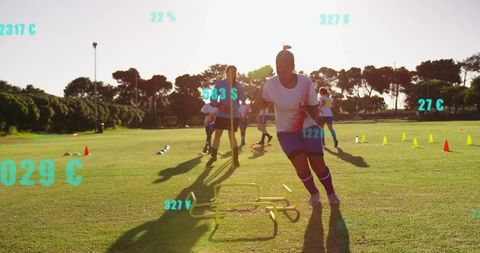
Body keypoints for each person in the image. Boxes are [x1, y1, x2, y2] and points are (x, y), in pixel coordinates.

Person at [259, 45, 340, 206]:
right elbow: (264, 102)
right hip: (286, 131)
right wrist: (261, 119)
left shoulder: (305, 82)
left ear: (293, 67)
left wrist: (317, 123)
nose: (281, 71)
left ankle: (331, 193)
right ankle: (314, 194)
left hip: (309, 126)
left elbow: (313, 107)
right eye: (278, 68)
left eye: (285, 67)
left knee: (317, 163)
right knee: (300, 163)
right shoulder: (270, 84)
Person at [207, 65, 246, 168]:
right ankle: (213, 156)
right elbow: (213, 98)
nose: (231, 73)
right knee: (217, 135)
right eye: (229, 71)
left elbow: (243, 98)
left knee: (231, 136)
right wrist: (219, 105)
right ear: (226, 72)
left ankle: (235, 159)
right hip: (221, 115)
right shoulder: (220, 84)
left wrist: (240, 95)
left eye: (234, 71)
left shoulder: (238, 85)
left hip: (234, 115)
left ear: (235, 73)